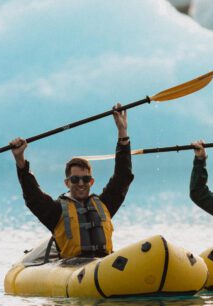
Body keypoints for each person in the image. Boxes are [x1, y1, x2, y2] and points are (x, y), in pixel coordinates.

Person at [11, 105, 132, 259]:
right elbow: (32, 195)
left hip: (102, 267)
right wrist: (20, 160)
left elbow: (123, 177)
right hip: (72, 271)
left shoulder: (105, 204)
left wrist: (122, 132)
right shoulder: (55, 212)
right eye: (75, 179)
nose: (81, 183)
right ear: (67, 183)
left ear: (91, 181)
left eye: (85, 179)